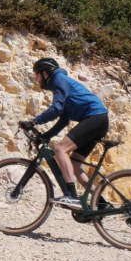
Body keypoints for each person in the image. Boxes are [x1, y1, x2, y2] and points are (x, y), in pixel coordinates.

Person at [19, 57, 109, 209]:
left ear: (45, 73)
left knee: (60, 149)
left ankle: (72, 196)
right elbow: (63, 120)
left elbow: (56, 109)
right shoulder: (62, 84)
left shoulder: (58, 80)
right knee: (74, 165)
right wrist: (45, 136)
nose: (36, 79)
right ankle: (101, 203)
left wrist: (34, 122)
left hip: (95, 118)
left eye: (37, 75)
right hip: (99, 120)